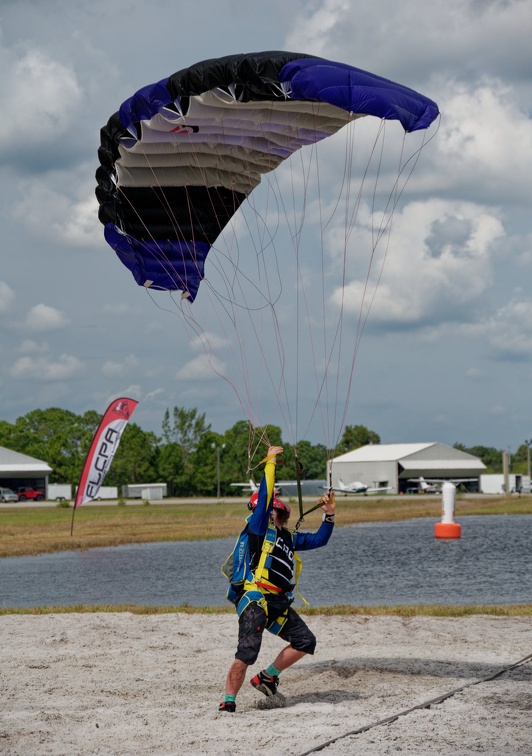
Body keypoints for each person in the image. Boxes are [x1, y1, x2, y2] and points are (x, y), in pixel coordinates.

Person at [219, 445, 336, 713]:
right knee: (247, 652)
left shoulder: (290, 538)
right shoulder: (258, 530)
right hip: (256, 598)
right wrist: (270, 463)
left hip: (279, 603)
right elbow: (266, 496)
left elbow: (320, 539)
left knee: (306, 641)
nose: (274, 515)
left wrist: (329, 514)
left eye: (277, 512)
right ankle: (228, 701)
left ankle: (267, 677)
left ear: (282, 515)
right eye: (270, 511)